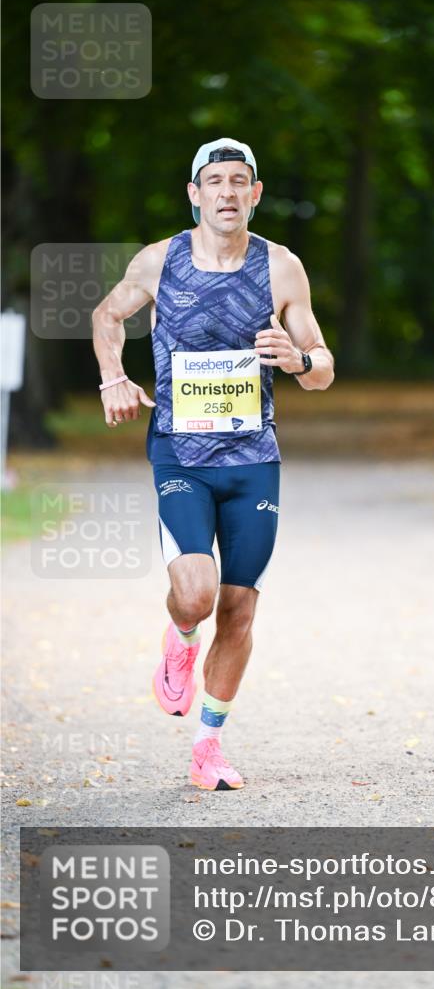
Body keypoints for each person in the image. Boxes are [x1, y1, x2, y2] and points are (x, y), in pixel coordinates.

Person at [92, 137, 334, 790]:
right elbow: (107, 315)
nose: (227, 192)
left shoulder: (281, 267)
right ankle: (179, 634)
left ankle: (208, 749)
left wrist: (298, 360)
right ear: (195, 194)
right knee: (196, 595)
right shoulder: (158, 261)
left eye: (239, 182)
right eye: (214, 182)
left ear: (254, 194)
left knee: (239, 609)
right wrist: (112, 375)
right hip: (181, 453)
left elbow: (322, 367)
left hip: (254, 458)